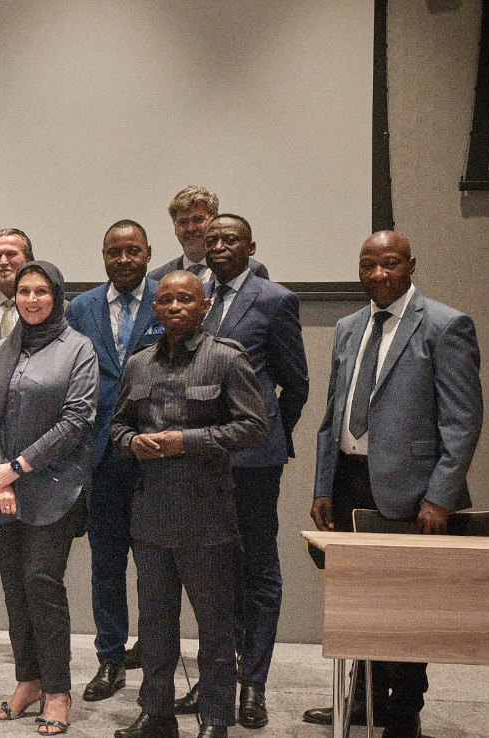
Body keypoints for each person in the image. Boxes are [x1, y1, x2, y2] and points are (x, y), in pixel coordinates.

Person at [302, 231, 483, 738]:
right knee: (360, 602)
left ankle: (404, 714)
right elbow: (334, 414)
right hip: (350, 481)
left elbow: (463, 422)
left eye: (390, 264)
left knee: (408, 608)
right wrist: (322, 485)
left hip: (416, 494)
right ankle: (364, 701)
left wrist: (440, 497)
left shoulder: (445, 326)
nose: (378, 274)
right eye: (368, 265)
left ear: (410, 265)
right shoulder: (348, 327)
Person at [111, 271, 267, 738]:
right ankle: (157, 713)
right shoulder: (138, 364)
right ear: (155, 308)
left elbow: (254, 427)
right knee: (155, 626)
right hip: (151, 516)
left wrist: (188, 441)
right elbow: (116, 427)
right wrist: (133, 442)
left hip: (207, 517)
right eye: (165, 300)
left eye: (185, 299)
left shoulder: (225, 358)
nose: (175, 307)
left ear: (204, 306)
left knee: (215, 629)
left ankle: (216, 718)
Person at [173, 215, 308, 726]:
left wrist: (266, 432)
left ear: (250, 246)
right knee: (213, 573)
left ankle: (253, 684)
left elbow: (295, 384)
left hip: (252, 463)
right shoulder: (195, 296)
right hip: (200, 459)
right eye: (212, 240)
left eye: (230, 239)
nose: (220, 246)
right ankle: (217, 681)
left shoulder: (275, 300)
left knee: (258, 571)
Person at [0, 261, 98, 735]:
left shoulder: (78, 348)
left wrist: (18, 467)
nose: (31, 299)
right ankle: (28, 681)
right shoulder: (3, 347)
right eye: (24, 291)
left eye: (41, 291)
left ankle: (58, 691)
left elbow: (76, 420)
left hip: (54, 489)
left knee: (42, 586)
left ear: (57, 296)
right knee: (15, 588)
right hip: (2, 492)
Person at [64, 220, 164, 700]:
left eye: (133, 251)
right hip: (100, 457)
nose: (123, 259)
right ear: (103, 256)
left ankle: (156, 654)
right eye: (113, 251)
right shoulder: (81, 308)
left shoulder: (170, 298)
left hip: (156, 457)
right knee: (106, 563)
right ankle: (109, 658)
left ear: (148, 253)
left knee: (155, 566)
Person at [147, 186, 268, 283]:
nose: (191, 228)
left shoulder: (250, 270)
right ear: (175, 228)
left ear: (215, 221)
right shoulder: (157, 278)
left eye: (198, 219)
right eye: (183, 222)